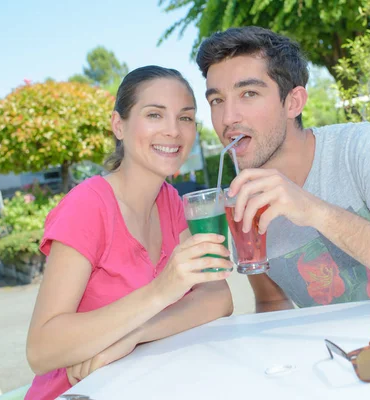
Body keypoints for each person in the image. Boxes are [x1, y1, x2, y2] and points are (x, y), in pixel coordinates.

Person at [196, 26, 370, 312]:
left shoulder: (358, 147)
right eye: (217, 100)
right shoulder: (242, 197)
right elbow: (272, 300)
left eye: (248, 93)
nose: (228, 118)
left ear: (293, 102)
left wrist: (316, 212)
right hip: (333, 352)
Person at [25, 66, 234, 400]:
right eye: (154, 114)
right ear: (118, 125)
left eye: (185, 118)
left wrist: (134, 334)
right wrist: (159, 293)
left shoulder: (172, 202)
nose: (173, 131)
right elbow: (41, 350)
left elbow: (218, 297)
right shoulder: (88, 206)